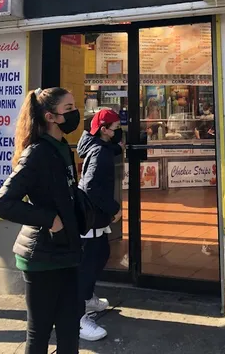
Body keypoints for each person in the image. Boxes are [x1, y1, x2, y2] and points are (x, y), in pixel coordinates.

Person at [0, 88, 82, 354]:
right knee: (39, 333)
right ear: (50, 116)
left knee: (69, 327)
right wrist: (49, 220)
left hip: (67, 251)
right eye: (68, 108)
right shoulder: (37, 153)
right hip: (41, 256)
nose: (76, 113)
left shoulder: (63, 147)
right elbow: (3, 203)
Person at [78, 109, 123, 342]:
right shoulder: (99, 153)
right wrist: (113, 208)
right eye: (116, 128)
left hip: (93, 218)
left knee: (101, 253)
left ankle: (87, 299)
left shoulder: (98, 147)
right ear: (104, 130)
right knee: (90, 262)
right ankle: (78, 315)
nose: (119, 132)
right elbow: (92, 187)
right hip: (92, 217)